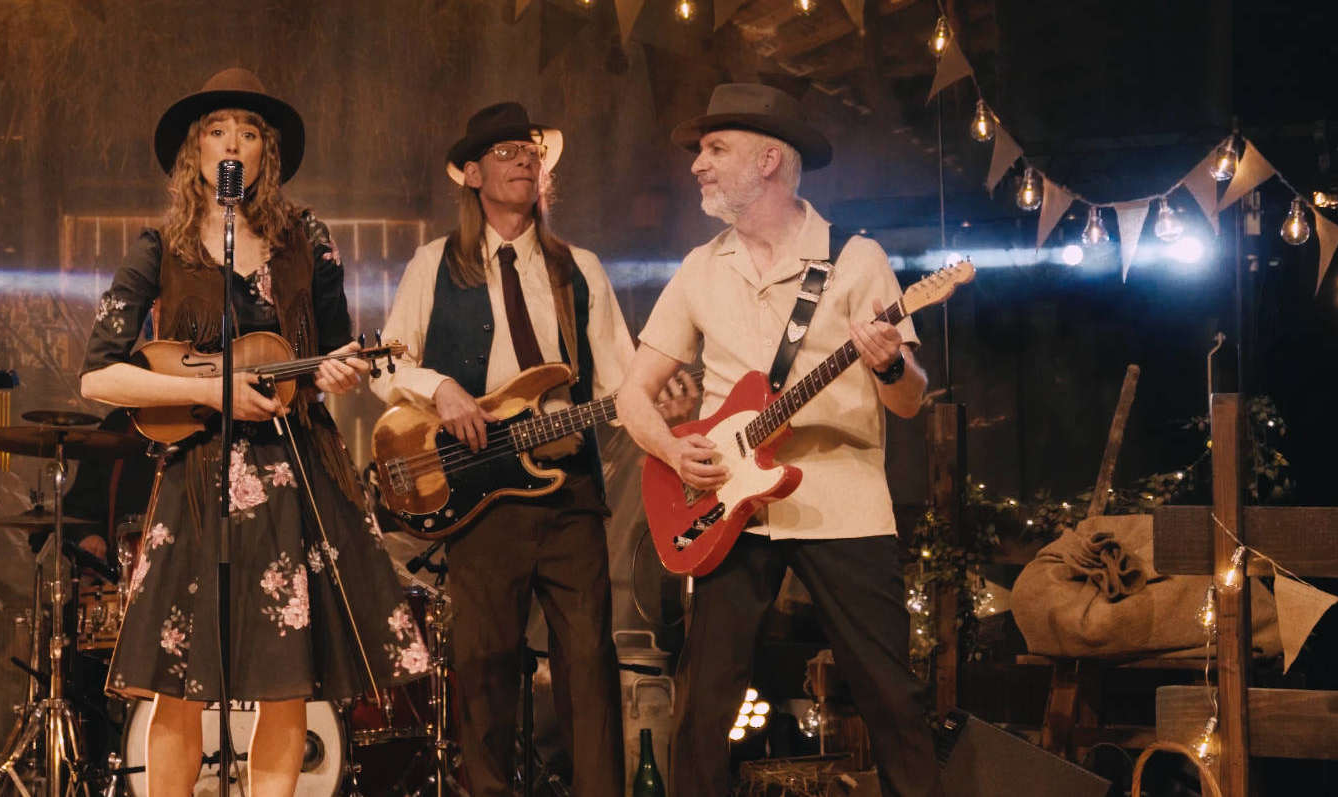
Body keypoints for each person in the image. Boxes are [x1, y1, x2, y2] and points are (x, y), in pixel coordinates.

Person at [79, 68, 428, 797]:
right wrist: (210, 388)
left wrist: (340, 371)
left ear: (265, 151)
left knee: (287, 680)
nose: (231, 142)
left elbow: (336, 353)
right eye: (215, 130)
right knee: (177, 682)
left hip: (295, 469)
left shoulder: (310, 240)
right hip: (197, 476)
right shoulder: (158, 248)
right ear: (194, 152)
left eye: (246, 130)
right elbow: (98, 378)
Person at [612, 83, 937, 797]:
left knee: (891, 697)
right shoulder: (702, 267)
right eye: (700, 151)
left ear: (767, 160)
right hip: (733, 508)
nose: (697, 165)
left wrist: (887, 359)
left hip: (842, 502)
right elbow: (632, 395)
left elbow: (909, 400)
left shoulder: (856, 259)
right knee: (703, 704)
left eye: (714, 149)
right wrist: (673, 450)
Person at [372, 101, 678, 797]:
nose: (524, 160)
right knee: (483, 670)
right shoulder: (434, 264)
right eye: (507, 151)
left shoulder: (580, 269)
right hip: (480, 494)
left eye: (531, 151)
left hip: (568, 490)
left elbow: (626, 381)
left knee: (588, 670)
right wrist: (443, 387)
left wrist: (666, 400)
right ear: (473, 173)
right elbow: (385, 366)